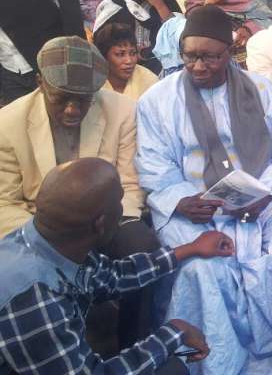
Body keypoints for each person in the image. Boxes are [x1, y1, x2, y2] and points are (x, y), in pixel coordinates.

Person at [137, 5, 272, 374]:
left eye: (210, 57)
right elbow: (154, 167)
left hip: (267, 196)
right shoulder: (157, 100)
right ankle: (220, 363)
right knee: (204, 269)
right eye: (190, 56)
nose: (198, 66)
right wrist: (180, 199)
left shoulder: (259, 90)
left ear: (229, 53)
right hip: (197, 206)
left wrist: (265, 191)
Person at [0, 157, 236, 375]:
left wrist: (190, 249)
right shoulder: (35, 300)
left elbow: (112, 277)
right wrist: (174, 332)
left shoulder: (46, 241)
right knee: (171, 369)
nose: (124, 209)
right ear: (100, 223)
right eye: (120, 201)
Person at [0, 36, 163, 345]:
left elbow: (130, 185)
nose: (73, 109)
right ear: (40, 82)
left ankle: (134, 340)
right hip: (41, 229)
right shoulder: (7, 123)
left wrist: (98, 232)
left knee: (142, 245)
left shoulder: (122, 110)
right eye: (62, 98)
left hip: (106, 220)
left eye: (84, 99)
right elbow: (5, 203)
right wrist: (58, 240)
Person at [94, 0, 181, 74]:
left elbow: (178, 33)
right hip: (122, 64)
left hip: (160, 62)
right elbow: (102, 40)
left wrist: (158, 4)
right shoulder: (115, 2)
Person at [94, 22, 159, 99]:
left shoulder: (149, 81)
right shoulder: (92, 82)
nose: (129, 61)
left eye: (133, 53)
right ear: (104, 56)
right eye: (120, 54)